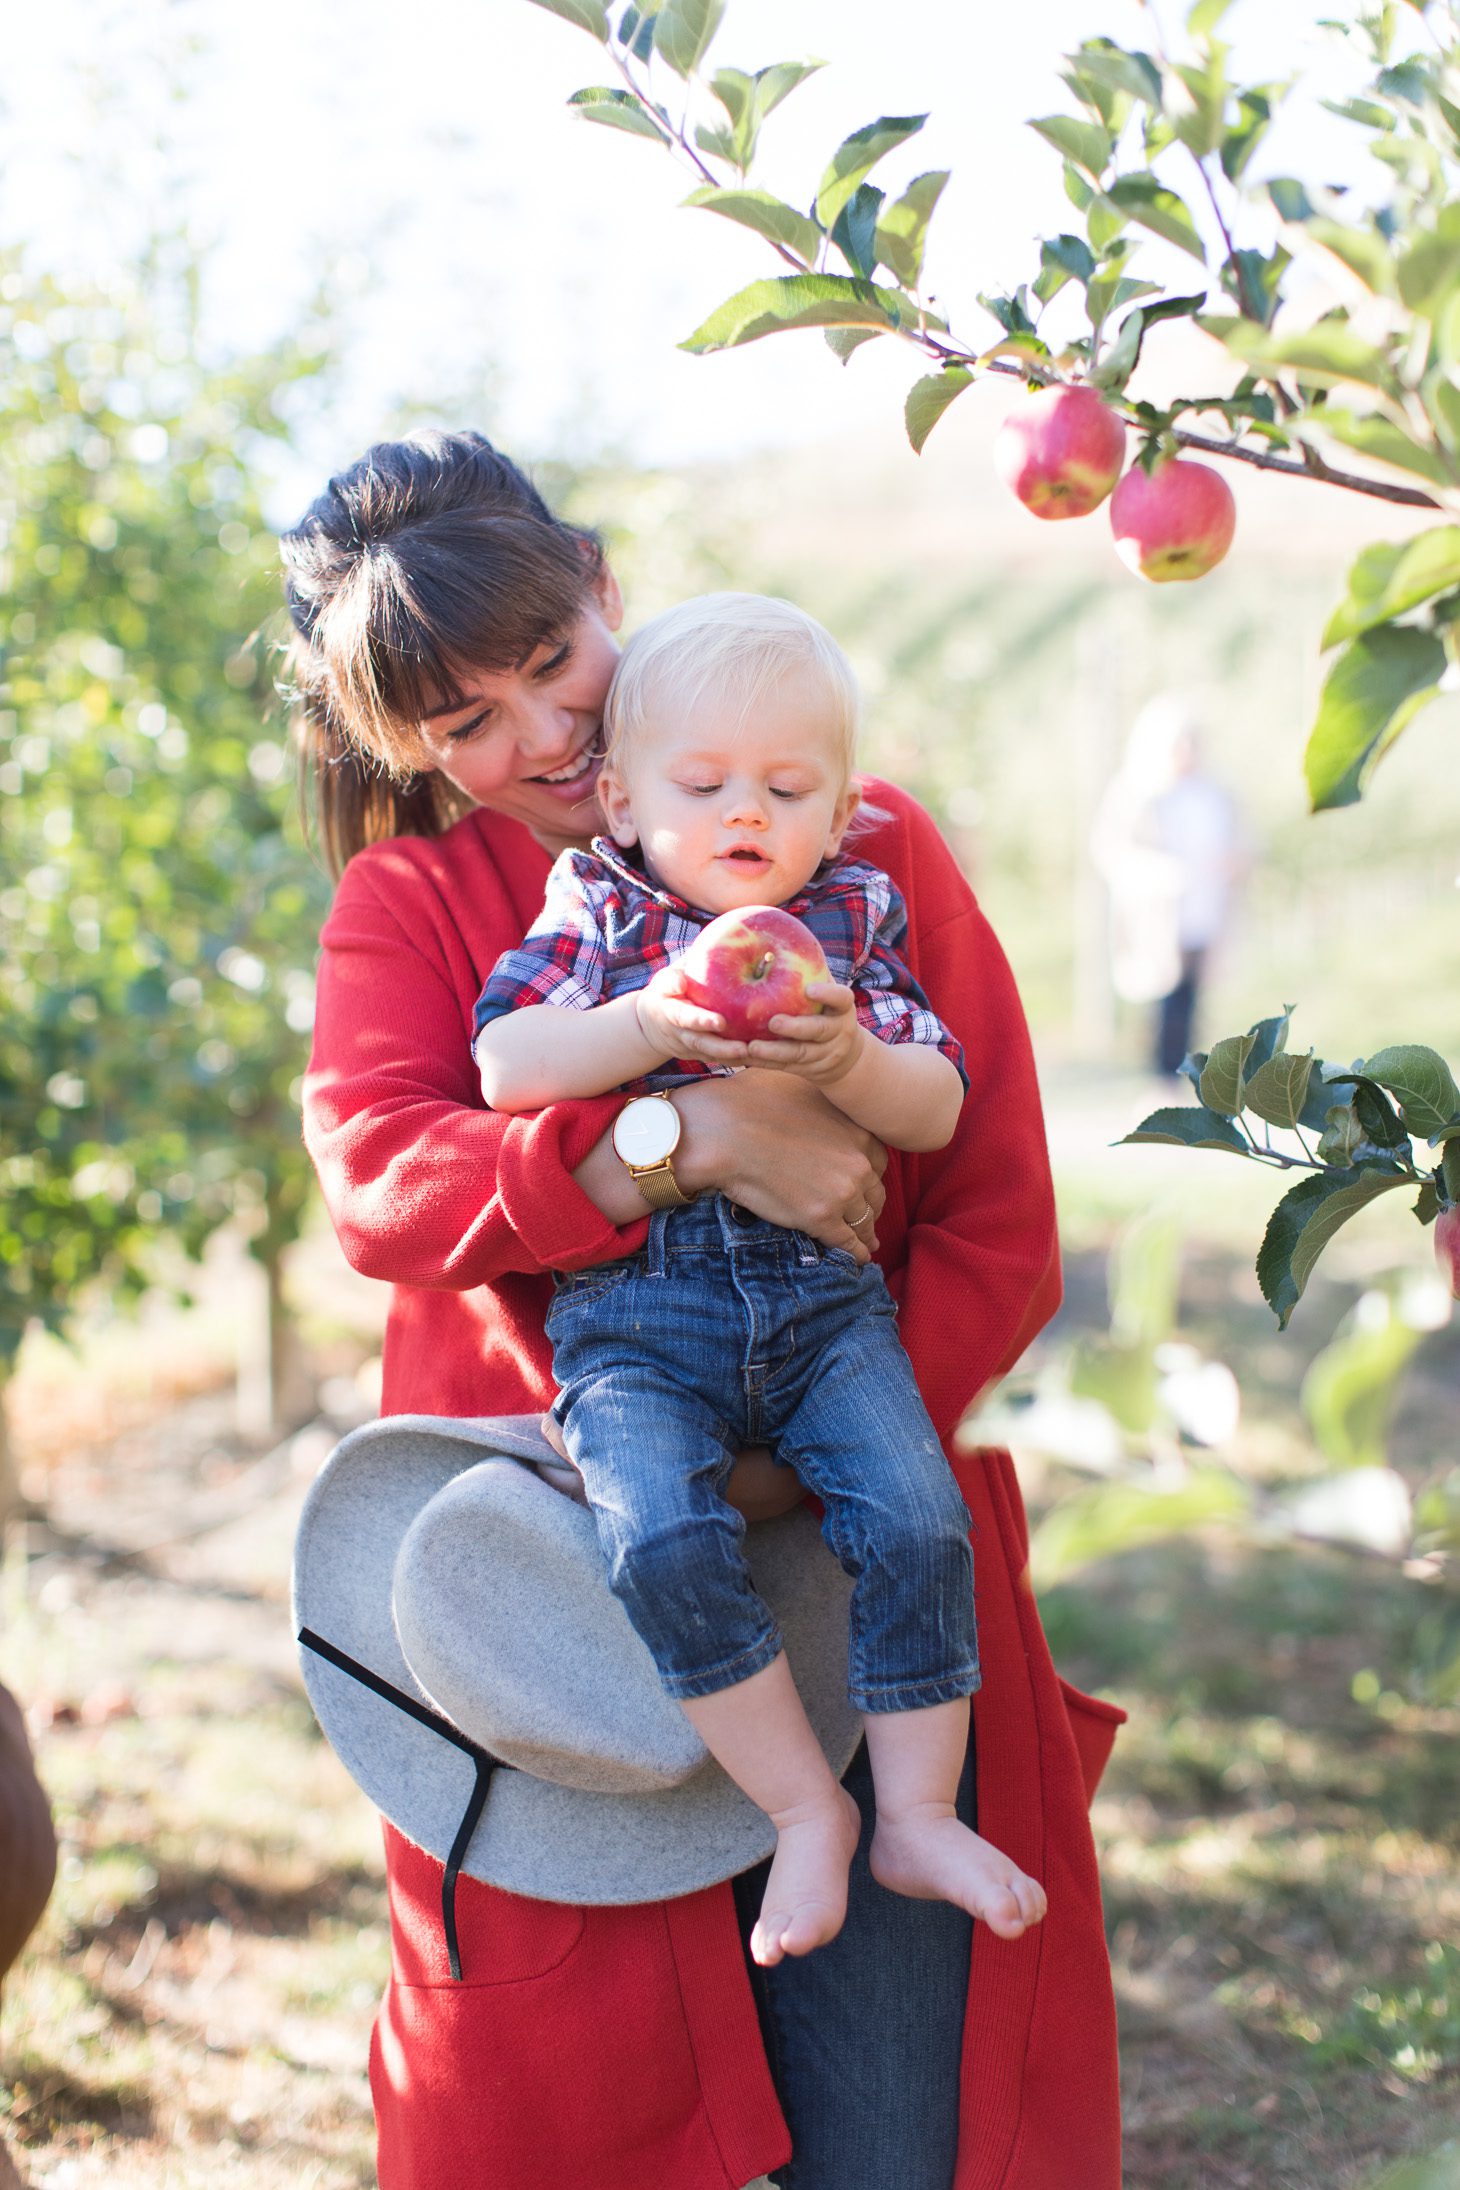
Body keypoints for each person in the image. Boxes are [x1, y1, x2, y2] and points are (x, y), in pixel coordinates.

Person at [284, 429, 1123, 2190]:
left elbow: (997, 1223)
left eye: (548, 662)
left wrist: (801, 1466)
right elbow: (381, 1170)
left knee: (892, 2128)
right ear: (399, 748)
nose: (540, 732)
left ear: (603, 588)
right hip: (567, 1573)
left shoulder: (856, 848)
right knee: (574, 2106)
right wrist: (676, 1137)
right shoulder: (417, 905)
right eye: (467, 722)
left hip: (848, 1535)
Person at [474, 592, 1047, 1968]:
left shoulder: (848, 920)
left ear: (841, 813)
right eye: (706, 783)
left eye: (788, 789)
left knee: (917, 1513)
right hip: (637, 1316)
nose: (748, 813)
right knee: (656, 1536)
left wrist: (847, 1057)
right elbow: (505, 1065)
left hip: (821, 1305)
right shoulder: (602, 906)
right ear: (618, 800)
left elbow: (934, 1105)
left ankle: (910, 1807)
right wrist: (647, 1021)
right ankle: (802, 1804)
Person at [1091, 693, 1250, 1079]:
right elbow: (1111, 849)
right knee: (1163, 1000)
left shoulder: (1216, 791)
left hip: (1204, 908)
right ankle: (1163, 1078)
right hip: (1158, 915)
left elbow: (1244, 841)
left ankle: (1195, 1076)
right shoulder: (1137, 792)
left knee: (1195, 999)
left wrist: (1234, 862)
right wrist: (1159, 874)